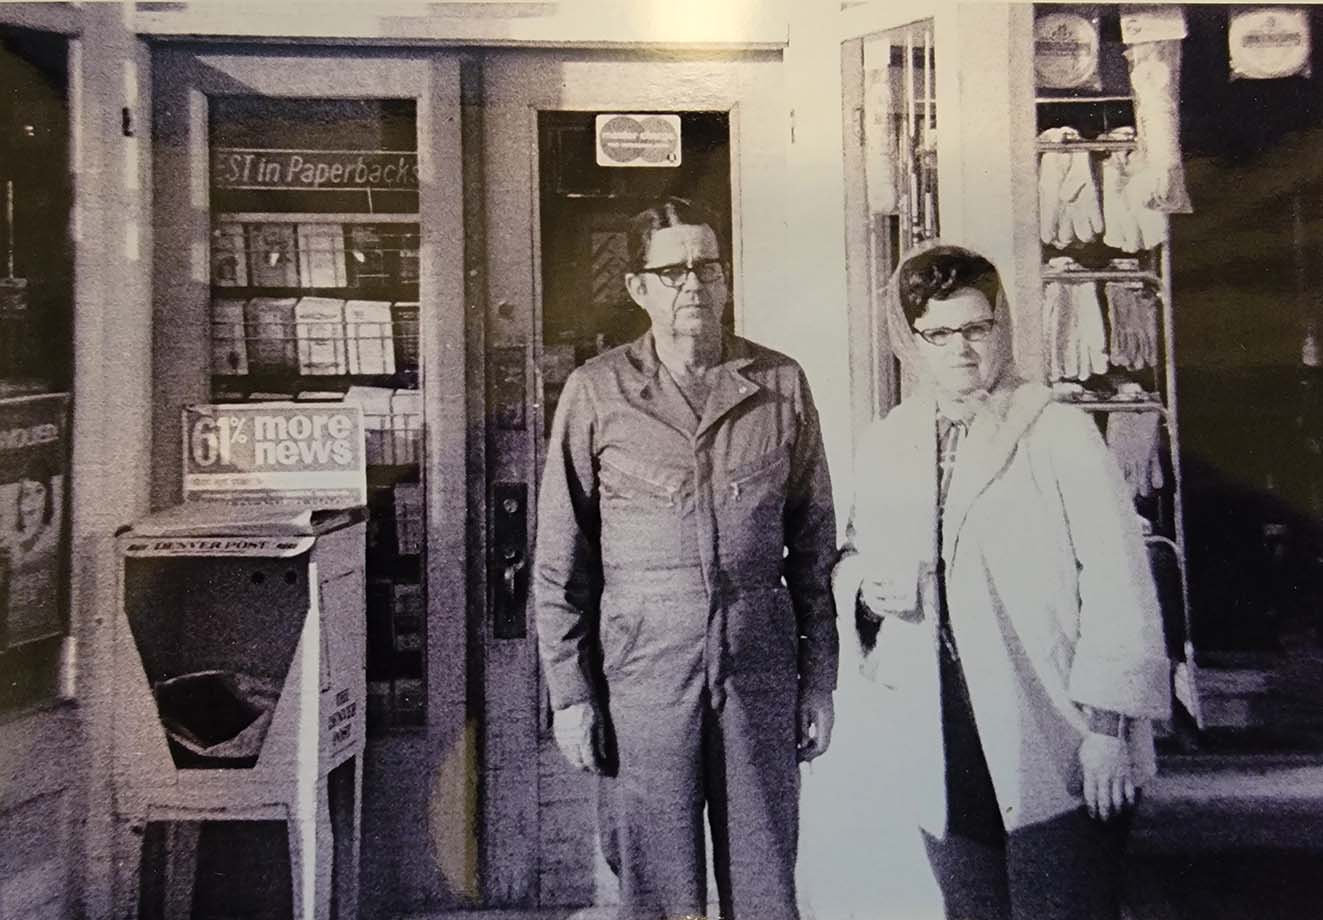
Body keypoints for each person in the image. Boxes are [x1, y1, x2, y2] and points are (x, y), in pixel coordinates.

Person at [831, 243, 1170, 920]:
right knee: (972, 905)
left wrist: (1106, 728)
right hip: (941, 722)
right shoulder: (888, 443)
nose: (959, 349)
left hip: (1053, 720)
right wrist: (867, 588)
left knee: (1064, 902)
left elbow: (1117, 581)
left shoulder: (1057, 432)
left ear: (1000, 328)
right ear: (911, 341)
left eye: (975, 329)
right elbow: (850, 558)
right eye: (937, 334)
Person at [534, 197, 838, 920]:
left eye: (706, 266)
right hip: (643, 672)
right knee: (656, 884)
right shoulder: (597, 393)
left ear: (725, 278)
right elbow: (558, 561)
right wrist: (572, 696)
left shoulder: (779, 384)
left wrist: (818, 681)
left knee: (765, 880)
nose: (692, 285)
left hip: (758, 664)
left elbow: (814, 547)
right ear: (637, 287)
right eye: (671, 272)